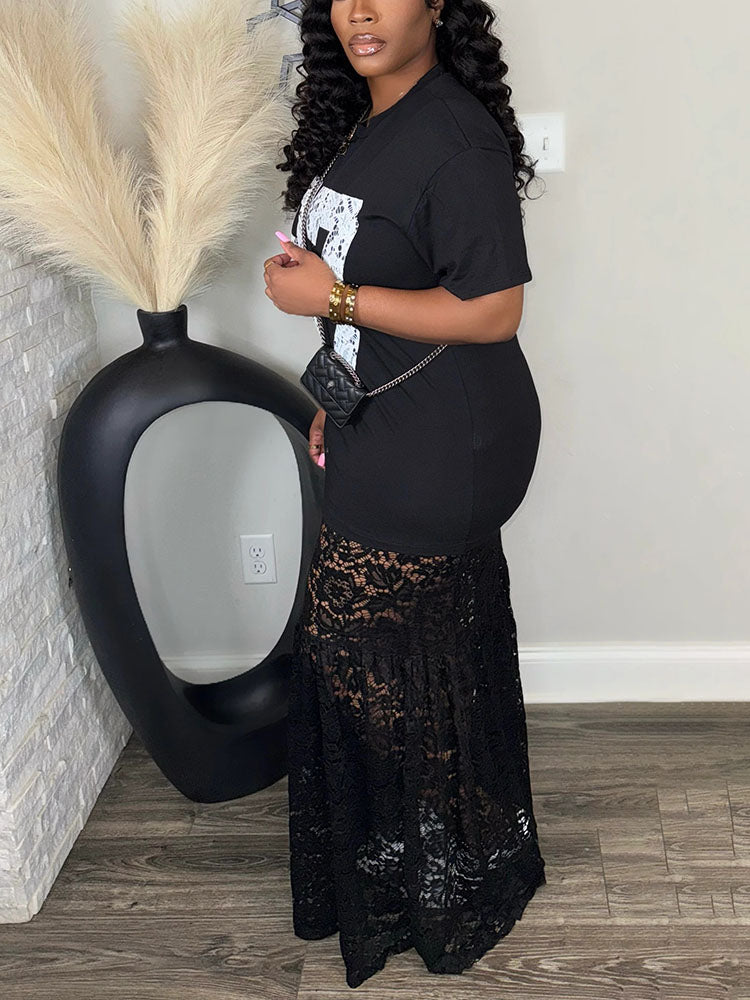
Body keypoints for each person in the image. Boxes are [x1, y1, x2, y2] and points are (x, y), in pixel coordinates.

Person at [263, 0, 546, 989]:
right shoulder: (369, 122)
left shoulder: (453, 134)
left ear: (437, 6)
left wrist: (329, 299)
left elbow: (494, 306)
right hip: (386, 412)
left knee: (364, 657)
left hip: (447, 436)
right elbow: (381, 273)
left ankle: (424, 882)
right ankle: (446, 860)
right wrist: (338, 392)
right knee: (419, 655)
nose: (360, 10)